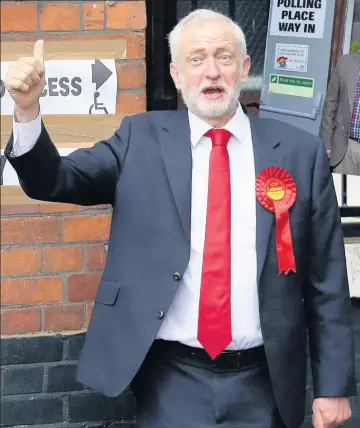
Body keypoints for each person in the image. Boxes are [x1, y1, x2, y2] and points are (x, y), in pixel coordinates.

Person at [4, 9, 356, 428]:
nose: (211, 71)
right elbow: (55, 181)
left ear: (244, 68)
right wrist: (27, 112)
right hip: (170, 377)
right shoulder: (139, 138)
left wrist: (332, 388)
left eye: (224, 57)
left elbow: (327, 281)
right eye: (196, 58)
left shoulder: (299, 153)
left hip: (266, 380)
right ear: (175, 73)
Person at [320, 52, 360, 176]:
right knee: (344, 194)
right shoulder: (346, 62)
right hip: (346, 148)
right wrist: (326, 142)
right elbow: (330, 103)